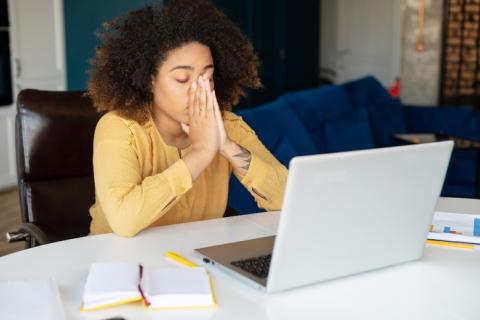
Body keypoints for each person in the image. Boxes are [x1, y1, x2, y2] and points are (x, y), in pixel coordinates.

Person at [87, 0, 288, 237]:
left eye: (208, 77)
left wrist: (226, 146)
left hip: (195, 261)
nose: (199, 91)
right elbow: (124, 221)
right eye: (183, 78)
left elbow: (289, 198)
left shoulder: (226, 127)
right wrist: (202, 153)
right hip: (120, 263)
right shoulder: (120, 128)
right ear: (150, 80)